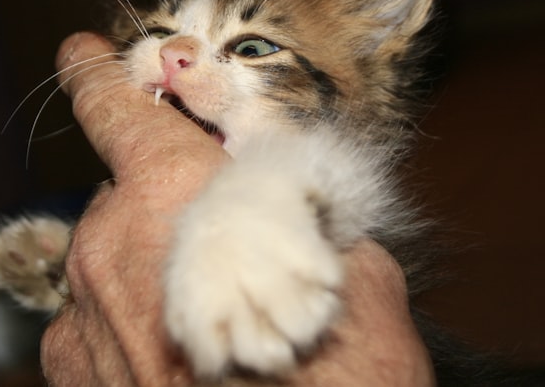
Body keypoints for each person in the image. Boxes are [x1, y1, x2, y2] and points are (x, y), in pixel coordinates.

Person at [40, 32, 437, 386]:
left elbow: (327, 168)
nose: (175, 47)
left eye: (251, 47)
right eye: (160, 31)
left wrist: (248, 221)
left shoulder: (323, 171)